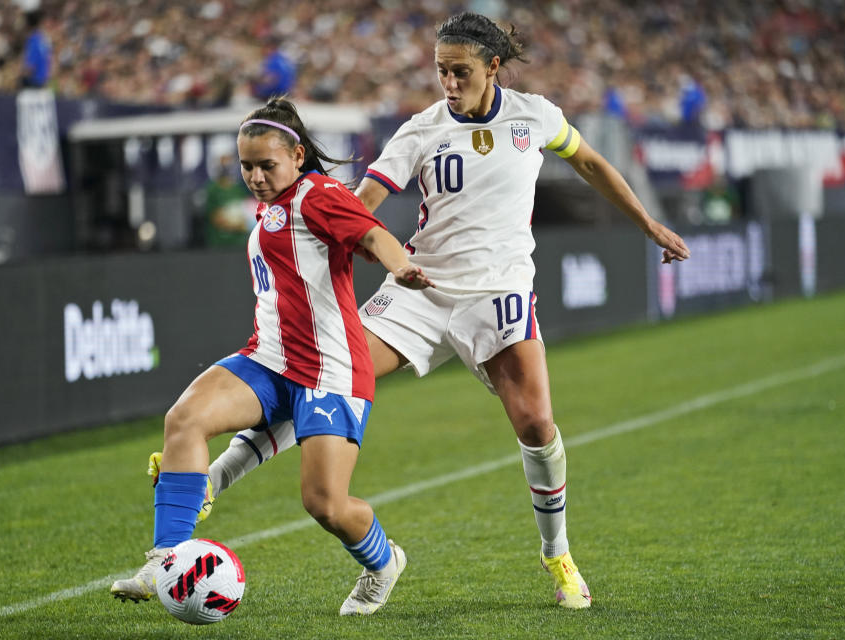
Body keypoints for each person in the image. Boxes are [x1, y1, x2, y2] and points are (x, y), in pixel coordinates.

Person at [126, 11, 690, 611]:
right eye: (442, 71)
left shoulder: (536, 116)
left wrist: (647, 224)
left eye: (461, 71)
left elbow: (590, 164)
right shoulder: (421, 130)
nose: (449, 82)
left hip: (498, 294)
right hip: (418, 293)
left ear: (492, 66)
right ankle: (217, 477)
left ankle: (559, 556)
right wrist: (343, 235)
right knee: (323, 366)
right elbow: (362, 203)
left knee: (536, 426)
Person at [110, 97, 434, 617]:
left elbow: (371, 234)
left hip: (330, 371)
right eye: (247, 167)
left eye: (266, 165)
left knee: (325, 505)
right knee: (185, 420)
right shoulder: (273, 204)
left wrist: (401, 266)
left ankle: (382, 563)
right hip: (267, 359)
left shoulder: (318, 194)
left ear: (297, 155)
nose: (256, 177)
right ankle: (165, 559)